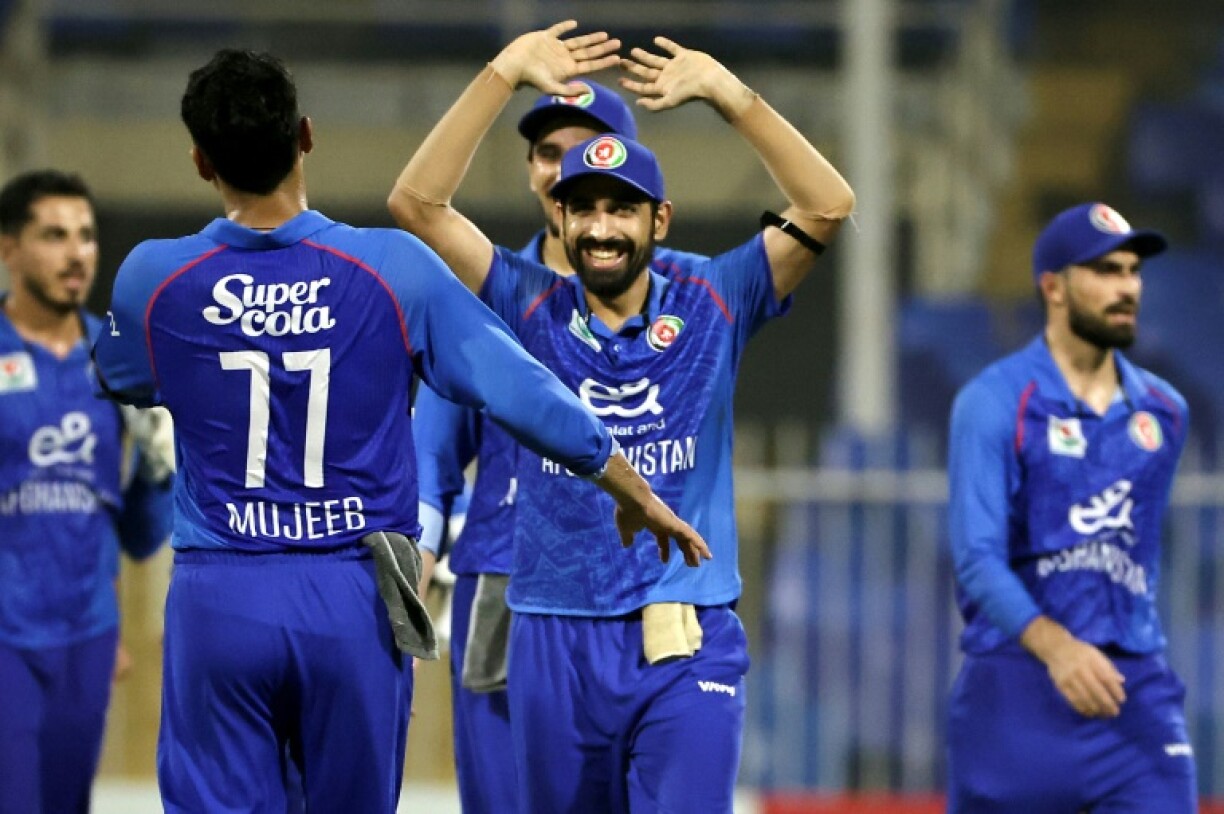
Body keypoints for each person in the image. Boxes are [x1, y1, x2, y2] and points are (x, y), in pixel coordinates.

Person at [89, 48, 707, 814]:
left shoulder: (154, 277)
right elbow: (524, 390)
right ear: (306, 136)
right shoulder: (392, 268)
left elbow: (120, 377)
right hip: (350, 594)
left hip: (220, 592)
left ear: (200, 160)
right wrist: (631, 486)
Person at [389, 21, 854, 813]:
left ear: (659, 221)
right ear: (560, 220)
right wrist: (503, 69)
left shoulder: (717, 297)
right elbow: (415, 201)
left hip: (684, 627)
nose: (602, 227)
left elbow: (829, 203)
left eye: (622, 209)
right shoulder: (524, 302)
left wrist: (728, 94)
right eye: (583, 209)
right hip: (551, 633)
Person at [412, 78, 708, 814]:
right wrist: (410, 579)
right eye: (548, 153)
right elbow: (431, 455)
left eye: (583, 152)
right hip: (506, 580)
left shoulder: (685, 303)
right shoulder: (488, 296)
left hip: (638, 589)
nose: (561, 168)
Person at [946, 202, 1196, 812]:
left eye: (1133, 271)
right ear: (1053, 287)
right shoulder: (994, 402)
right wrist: (1060, 650)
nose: (1128, 288)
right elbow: (978, 561)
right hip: (1019, 688)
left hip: (1131, 687)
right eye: (1106, 271)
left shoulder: (1164, 412)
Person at [0, 170, 173, 814]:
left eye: (86, 236)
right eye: (54, 236)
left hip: (88, 637)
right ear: (8, 249)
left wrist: (159, 469)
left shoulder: (118, 354)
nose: (77, 254)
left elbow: (138, 534)